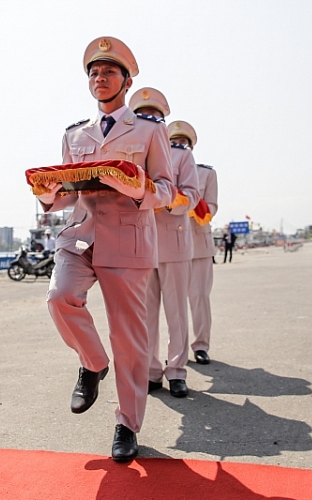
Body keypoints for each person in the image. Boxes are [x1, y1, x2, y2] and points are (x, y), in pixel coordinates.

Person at [35, 36, 176, 462]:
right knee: (60, 298)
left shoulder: (150, 131)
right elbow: (65, 194)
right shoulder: (74, 133)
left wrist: (138, 189)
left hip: (128, 238)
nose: (100, 77)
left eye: (109, 71)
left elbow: (167, 190)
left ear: (126, 80)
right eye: (94, 72)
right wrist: (46, 194)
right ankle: (93, 363)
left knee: (129, 339)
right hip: (80, 234)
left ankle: (126, 424)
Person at [129, 90, 201, 398]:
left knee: (176, 313)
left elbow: (192, 195)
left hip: (173, 243)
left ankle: (177, 371)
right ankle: (151, 370)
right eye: (142, 114)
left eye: (154, 115)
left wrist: (165, 200)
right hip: (140, 243)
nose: (148, 119)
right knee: (145, 315)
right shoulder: (129, 150)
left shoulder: (181, 155)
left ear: (162, 119)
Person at [168, 122, 219, 365]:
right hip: (171, 245)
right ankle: (177, 353)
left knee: (199, 297)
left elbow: (212, 207)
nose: (179, 145)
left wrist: (189, 206)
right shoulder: (163, 171)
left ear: (191, 146)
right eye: (174, 141)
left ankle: (200, 345)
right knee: (173, 302)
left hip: (198, 244)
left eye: (184, 142)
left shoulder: (206, 173)